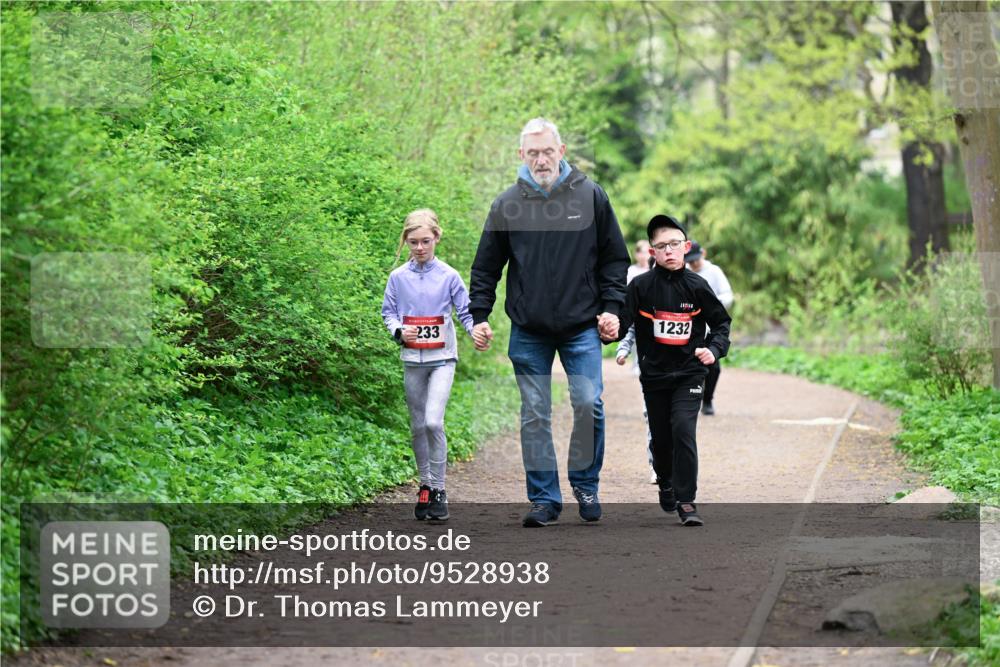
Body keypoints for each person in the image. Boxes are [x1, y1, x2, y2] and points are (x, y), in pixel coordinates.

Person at [469, 117, 629, 528]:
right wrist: (479, 316)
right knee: (535, 413)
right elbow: (487, 267)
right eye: (533, 152)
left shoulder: (591, 196)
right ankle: (543, 499)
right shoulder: (507, 204)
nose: (541, 159)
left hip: (581, 326)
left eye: (547, 151)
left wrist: (612, 308)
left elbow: (614, 259)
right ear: (521, 156)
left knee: (588, 403)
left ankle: (586, 483)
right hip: (530, 329)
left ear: (562, 152)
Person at [612, 215, 731, 526]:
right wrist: (609, 328)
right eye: (661, 246)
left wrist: (713, 349)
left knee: (683, 429)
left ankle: (687, 501)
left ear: (686, 247)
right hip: (654, 376)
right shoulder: (639, 287)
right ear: (652, 252)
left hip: (690, 373)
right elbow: (622, 324)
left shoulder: (697, 286)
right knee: (662, 438)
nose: (668, 251)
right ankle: (665, 481)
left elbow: (721, 324)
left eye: (674, 244)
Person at [381, 209, 475, 521]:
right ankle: (424, 487)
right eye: (413, 242)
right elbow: (388, 313)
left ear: (436, 238)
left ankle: (439, 488)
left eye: (425, 241)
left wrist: (476, 331)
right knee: (418, 425)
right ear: (406, 242)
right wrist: (398, 330)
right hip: (412, 359)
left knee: (434, 422)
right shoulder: (398, 278)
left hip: (442, 359)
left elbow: (465, 312)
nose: (420, 248)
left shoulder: (449, 275)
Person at [684, 241, 734, 416]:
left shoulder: (714, 272)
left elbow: (728, 295)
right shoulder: (685, 273)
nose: (693, 264)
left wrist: (711, 305)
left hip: (711, 324)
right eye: (689, 261)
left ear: (703, 254)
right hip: (690, 325)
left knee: (714, 366)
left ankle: (708, 399)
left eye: (695, 260)